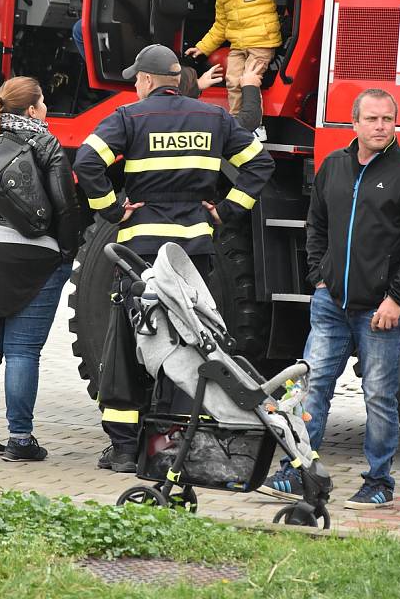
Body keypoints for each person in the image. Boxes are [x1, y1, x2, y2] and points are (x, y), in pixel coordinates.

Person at [73, 43, 274, 472]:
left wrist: (111, 208)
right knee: (186, 347)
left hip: (140, 252)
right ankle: (172, 450)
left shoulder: (130, 117)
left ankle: (126, 449)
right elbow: (259, 164)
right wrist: (228, 210)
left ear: (146, 81)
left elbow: (88, 160)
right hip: (192, 255)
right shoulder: (215, 117)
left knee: (129, 342)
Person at [258, 88, 400, 508]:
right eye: (373, 119)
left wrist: (396, 298)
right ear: (354, 123)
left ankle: (379, 482)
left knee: (378, 396)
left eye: (388, 119)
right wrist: (318, 276)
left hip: (381, 310)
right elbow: (316, 223)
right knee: (311, 388)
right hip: (330, 306)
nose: (381, 127)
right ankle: (295, 472)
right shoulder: (334, 167)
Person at [0, 76, 79, 462]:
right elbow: (65, 206)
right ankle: (20, 440)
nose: (45, 110)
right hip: (31, 259)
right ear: (32, 109)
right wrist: (66, 253)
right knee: (22, 351)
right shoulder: (45, 144)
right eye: (43, 104)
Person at [185, 0, 309, 136]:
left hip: (262, 43)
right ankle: (237, 121)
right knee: (233, 80)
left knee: (249, 79)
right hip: (237, 46)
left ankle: (255, 124)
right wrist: (203, 47)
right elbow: (220, 26)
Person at [180, 60, 264, 131]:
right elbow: (248, 121)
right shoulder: (203, 124)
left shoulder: (168, 120)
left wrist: (193, 87)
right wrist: (250, 86)